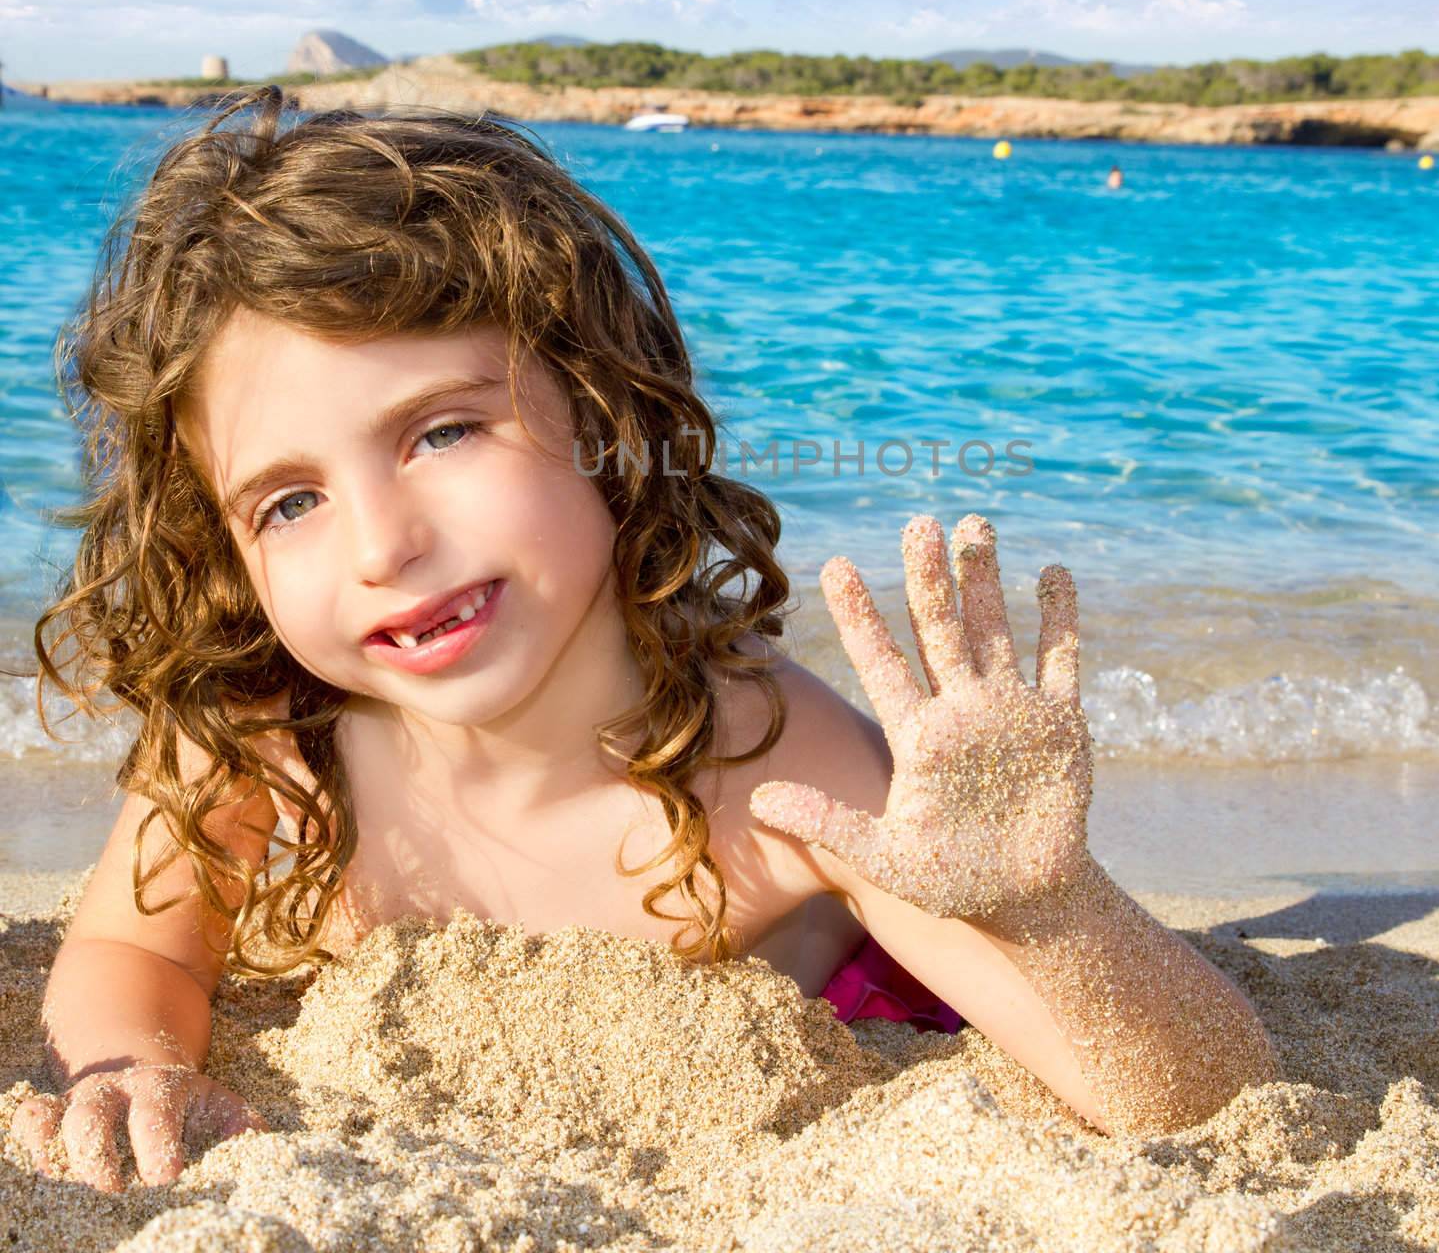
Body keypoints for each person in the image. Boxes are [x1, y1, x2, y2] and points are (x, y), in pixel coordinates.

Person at [9, 88, 1276, 1191]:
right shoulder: (265, 738)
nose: (378, 545)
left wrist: (1053, 916)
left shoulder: (776, 773)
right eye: (289, 501)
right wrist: (134, 1064)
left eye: (441, 431)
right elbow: (133, 944)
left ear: (608, 418)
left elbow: (1205, 1102)